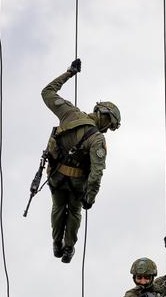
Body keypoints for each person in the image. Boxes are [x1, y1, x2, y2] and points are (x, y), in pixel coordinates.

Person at [41, 58, 121, 263]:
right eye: (109, 126)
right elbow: (96, 172)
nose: (106, 130)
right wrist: (90, 197)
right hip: (77, 184)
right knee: (74, 211)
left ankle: (56, 244)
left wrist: (69, 72)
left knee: (58, 208)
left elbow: (47, 92)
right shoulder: (97, 139)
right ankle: (68, 248)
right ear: (105, 118)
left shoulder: (69, 113)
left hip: (56, 176)